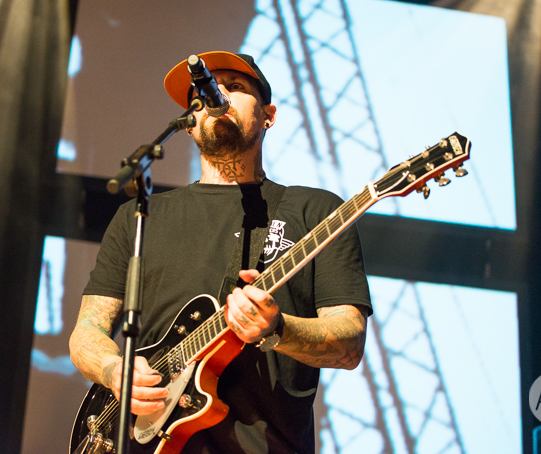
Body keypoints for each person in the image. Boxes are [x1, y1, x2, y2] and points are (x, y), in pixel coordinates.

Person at [69, 51, 372, 453]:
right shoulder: (140, 216)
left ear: (268, 115)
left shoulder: (315, 211)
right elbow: (87, 332)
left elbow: (349, 345)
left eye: (235, 87)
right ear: (189, 125)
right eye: (202, 94)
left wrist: (278, 329)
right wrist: (114, 370)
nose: (217, 95)